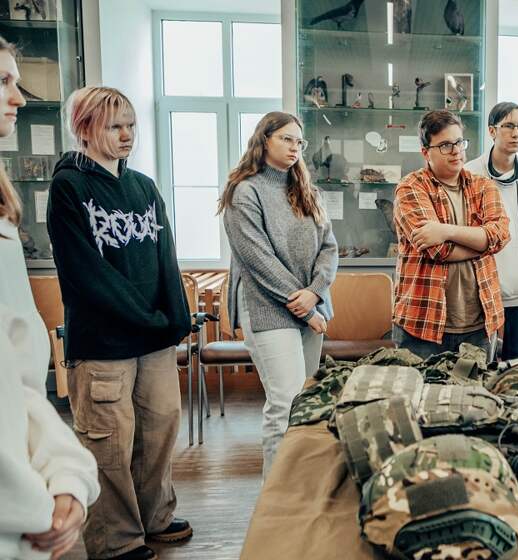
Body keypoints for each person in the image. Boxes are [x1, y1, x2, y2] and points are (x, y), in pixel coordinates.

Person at [47, 86, 192, 559]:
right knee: (109, 442)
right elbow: (86, 273)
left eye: (130, 124)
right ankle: (116, 539)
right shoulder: (69, 186)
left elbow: (165, 257)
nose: (127, 134)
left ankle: (155, 517)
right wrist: (146, 317)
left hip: (154, 339)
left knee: (159, 429)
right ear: (85, 129)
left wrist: (176, 318)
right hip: (104, 343)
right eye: (114, 126)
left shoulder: (143, 186)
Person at [0, 37, 99, 560]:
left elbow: (17, 384)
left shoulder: (3, 218)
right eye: (3, 82)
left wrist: (66, 476)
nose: (19, 98)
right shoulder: (69, 187)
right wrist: (33, 506)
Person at [218, 111, 338, 477]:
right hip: (267, 308)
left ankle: (301, 486)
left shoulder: (308, 191)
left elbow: (329, 248)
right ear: (264, 140)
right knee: (285, 403)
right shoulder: (245, 191)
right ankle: (277, 493)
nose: (294, 147)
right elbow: (258, 260)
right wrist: (306, 308)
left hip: (310, 306)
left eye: (299, 141)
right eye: (286, 138)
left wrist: (315, 293)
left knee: (306, 403)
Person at [392, 110, 510, 359]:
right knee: (420, 386)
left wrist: (446, 230)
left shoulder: (483, 186)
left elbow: (499, 235)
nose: (456, 151)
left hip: (479, 324)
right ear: (426, 152)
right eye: (445, 145)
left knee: (477, 387)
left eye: (459, 142)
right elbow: (437, 250)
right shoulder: (411, 187)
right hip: (422, 324)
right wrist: (482, 244)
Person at [464, 102, 518, 360]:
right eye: (509, 126)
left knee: (517, 363)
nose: (516, 133)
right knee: (478, 361)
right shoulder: (470, 173)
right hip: (481, 288)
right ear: (492, 131)